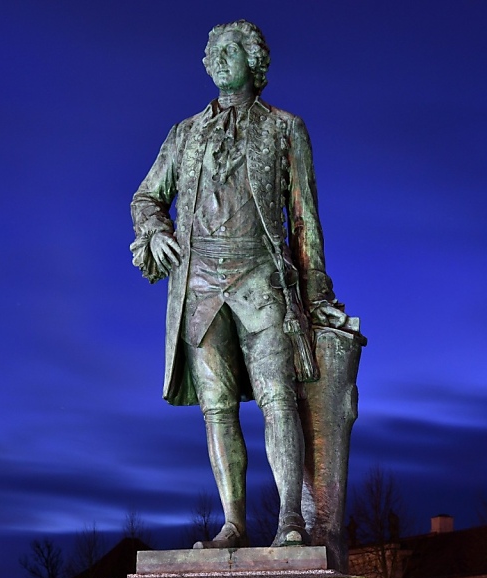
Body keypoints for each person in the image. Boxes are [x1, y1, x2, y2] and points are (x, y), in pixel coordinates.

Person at [131, 20, 348, 548]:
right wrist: (156, 230)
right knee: (217, 408)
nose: (219, 60)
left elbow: (304, 217)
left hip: (261, 278)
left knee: (279, 398)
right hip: (199, 286)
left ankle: (291, 522)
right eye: (213, 53)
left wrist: (316, 291)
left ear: (255, 61)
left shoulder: (284, 128)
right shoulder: (184, 134)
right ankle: (232, 523)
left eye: (230, 51)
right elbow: (145, 198)